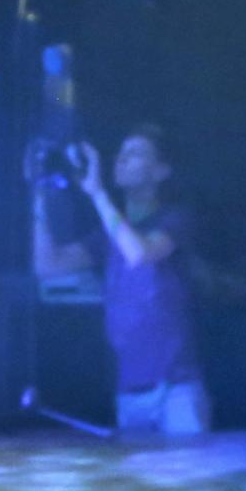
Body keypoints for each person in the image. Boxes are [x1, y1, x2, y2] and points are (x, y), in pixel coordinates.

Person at [73, 126, 206, 435]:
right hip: (129, 390)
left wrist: (98, 194)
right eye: (121, 153)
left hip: (176, 388)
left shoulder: (176, 218)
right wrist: (39, 191)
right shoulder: (108, 233)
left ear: (161, 171)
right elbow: (48, 263)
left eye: (135, 153)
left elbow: (139, 253)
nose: (121, 159)